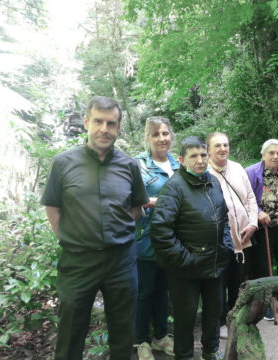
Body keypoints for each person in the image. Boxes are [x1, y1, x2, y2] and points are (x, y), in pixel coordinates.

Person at [41, 96, 148, 360]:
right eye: (98, 121)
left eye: (111, 123)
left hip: (121, 261)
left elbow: (137, 207)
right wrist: (71, 238)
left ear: (118, 126)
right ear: (87, 122)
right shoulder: (64, 163)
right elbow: (53, 208)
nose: (104, 129)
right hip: (78, 262)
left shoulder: (129, 165)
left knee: (124, 334)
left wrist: (119, 232)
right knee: (70, 333)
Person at [150, 136, 232, 360]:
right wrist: (186, 259)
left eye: (203, 155)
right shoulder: (174, 188)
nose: (200, 160)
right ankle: (184, 356)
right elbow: (160, 231)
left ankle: (210, 350)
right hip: (185, 269)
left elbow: (223, 218)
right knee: (185, 318)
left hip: (215, 261)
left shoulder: (213, 181)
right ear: (181, 160)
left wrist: (226, 245)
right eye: (193, 156)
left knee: (214, 312)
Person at [133, 117, 179, 360]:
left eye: (165, 133)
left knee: (164, 291)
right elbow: (132, 199)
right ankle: (140, 341)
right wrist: (156, 203)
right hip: (146, 239)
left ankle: (160, 337)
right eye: (156, 134)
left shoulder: (179, 164)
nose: (162, 138)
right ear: (148, 138)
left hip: (173, 241)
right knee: (144, 292)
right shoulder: (139, 165)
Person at [206, 132, 258, 339]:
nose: (222, 149)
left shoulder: (237, 168)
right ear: (208, 149)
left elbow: (251, 198)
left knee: (238, 281)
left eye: (225, 145)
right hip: (220, 239)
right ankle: (218, 322)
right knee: (219, 283)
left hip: (243, 236)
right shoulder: (205, 173)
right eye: (217, 145)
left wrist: (253, 223)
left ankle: (235, 317)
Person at [245, 139, 278, 320]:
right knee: (262, 266)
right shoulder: (251, 173)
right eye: (271, 153)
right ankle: (264, 303)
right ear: (263, 154)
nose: (275, 156)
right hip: (262, 228)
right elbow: (245, 198)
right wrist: (259, 213)